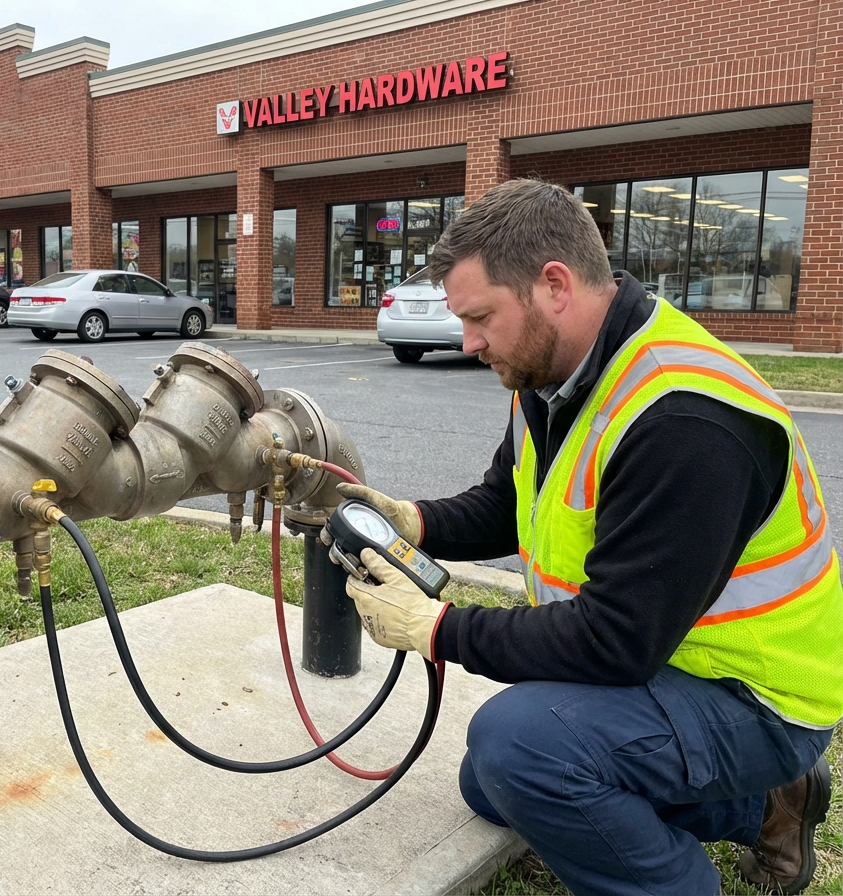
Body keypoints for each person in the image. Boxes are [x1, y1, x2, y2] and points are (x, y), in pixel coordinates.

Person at [334, 178, 841, 895]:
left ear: (554, 286)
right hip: (665, 661)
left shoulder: (683, 419)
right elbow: (510, 504)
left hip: (754, 697)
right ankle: (766, 807)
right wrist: (414, 520)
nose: (468, 341)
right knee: (490, 777)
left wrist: (439, 628)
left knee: (522, 749)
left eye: (480, 317)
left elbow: (616, 642)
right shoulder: (550, 372)